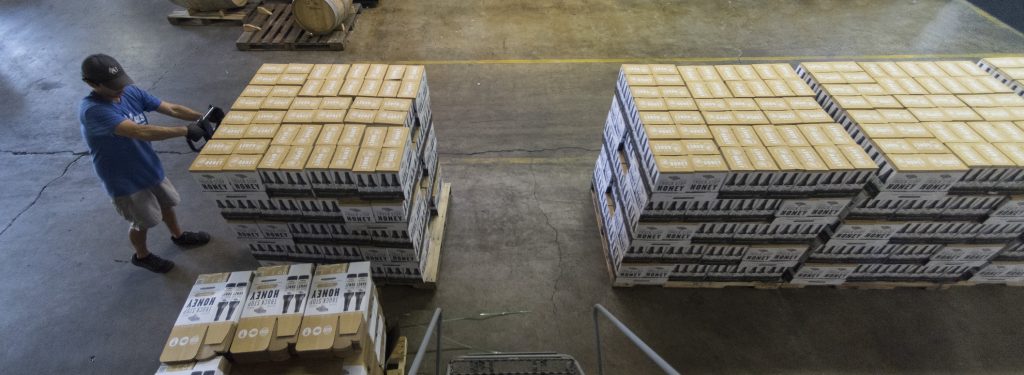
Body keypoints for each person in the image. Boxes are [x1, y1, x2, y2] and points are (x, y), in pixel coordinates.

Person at [78, 53, 214, 273]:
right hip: (124, 179)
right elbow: (140, 132)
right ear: (91, 84)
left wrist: (202, 118)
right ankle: (142, 255)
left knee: (167, 203)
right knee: (144, 221)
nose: (119, 89)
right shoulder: (93, 111)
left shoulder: (130, 92)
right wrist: (185, 131)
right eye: (112, 86)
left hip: (147, 165)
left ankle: (178, 236)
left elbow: (171, 109)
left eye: (120, 82)